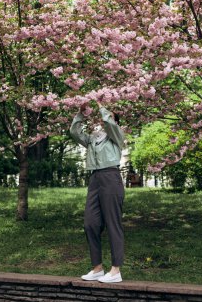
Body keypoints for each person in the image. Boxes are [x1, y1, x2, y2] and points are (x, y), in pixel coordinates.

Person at [70, 100, 125, 283]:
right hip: (94, 180)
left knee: (112, 224)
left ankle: (115, 271)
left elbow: (109, 123)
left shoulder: (116, 135)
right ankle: (97, 268)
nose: (99, 122)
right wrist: (80, 115)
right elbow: (74, 132)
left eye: (103, 120)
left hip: (111, 178)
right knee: (90, 224)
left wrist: (103, 107)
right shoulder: (92, 140)